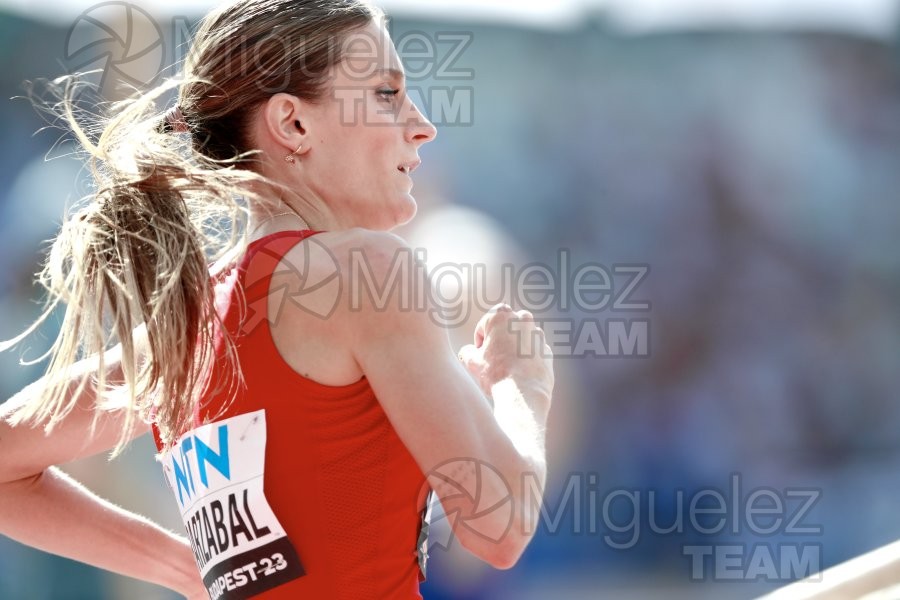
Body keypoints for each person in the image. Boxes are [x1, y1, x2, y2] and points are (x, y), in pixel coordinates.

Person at [0, 0, 555, 598]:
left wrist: (183, 569)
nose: (422, 125)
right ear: (293, 124)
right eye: (387, 95)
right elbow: (499, 526)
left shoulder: (180, 328)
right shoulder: (364, 269)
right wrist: (521, 388)